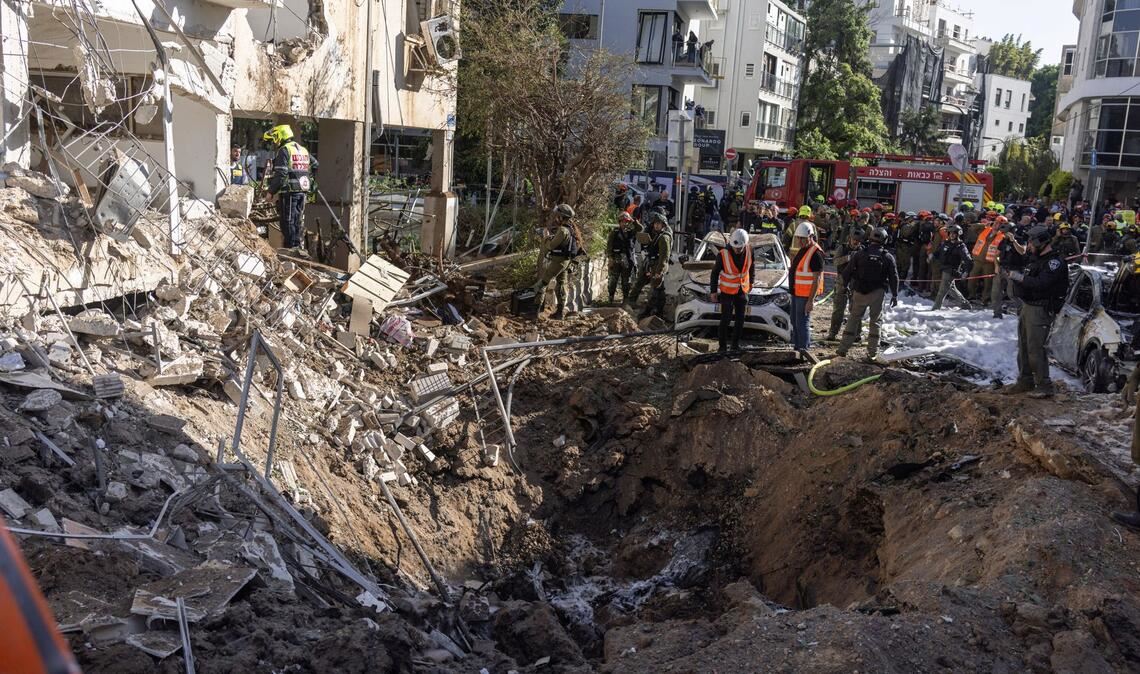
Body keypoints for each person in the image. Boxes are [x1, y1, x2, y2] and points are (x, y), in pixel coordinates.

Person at [1002, 226, 1069, 397]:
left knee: (1035, 348)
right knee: (1024, 346)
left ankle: (1044, 385)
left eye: (1031, 242)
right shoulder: (1036, 258)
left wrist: (1019, 278)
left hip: (1040, 309)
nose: (1029, 246)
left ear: (1040, 242)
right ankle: (1025, 381)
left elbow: (1041, 283)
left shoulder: (1055, 262)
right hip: (1028, 306)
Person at [837, 228, 899, 362]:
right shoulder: (887, 257)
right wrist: (895, 295)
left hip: (859, 291)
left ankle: (842, 349)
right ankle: (872, 353)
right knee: (875, 322)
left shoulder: (859, 254)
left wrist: (845, 286)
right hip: (877, 293)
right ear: (885, 240)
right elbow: (894, 277)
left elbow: (847, 272)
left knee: (853, 319)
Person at [264, 124, 317, 255]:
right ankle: (297, 247)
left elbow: (281, 174)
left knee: (287, 222)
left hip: (289, 192)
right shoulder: (302, 149)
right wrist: (307, 177)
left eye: (274, 138)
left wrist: (271, 192)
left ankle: (291, 250)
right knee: (297, 221)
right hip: (302, 191)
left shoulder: (284, 150)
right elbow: (315, 165)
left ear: (279, 136)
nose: (274, 142)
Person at [709, 228, 754, 354]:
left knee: (740, 319)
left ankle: (735, 345)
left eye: (740, 248)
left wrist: (751, 282)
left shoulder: (750, 251)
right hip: (727, 292)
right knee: (726, 319)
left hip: (742, 290)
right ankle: (722, 346)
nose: (738, 250)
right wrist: (713, 291)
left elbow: (752, 267)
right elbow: (714, 273)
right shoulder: (723, 254)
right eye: (736, 248)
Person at [534, 204, 581, 320]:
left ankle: (535, 312)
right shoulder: (570, 228)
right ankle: (559, 313)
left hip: (558, 262)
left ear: (561, 216)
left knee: (541, 284)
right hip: (565, 262)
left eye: (557, 215)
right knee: (560, 285)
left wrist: (545, 237)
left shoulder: (563, 230)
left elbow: (551, 246)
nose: (556, 218)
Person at [626, 212, 672, 319]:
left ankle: (651, 311)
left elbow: (664, 257)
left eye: (659, 224)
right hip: (649, 262)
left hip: (658, 264)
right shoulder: (653, 234)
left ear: (663, 225)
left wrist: (659, 271)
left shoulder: (664, 238)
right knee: (640, 282)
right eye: (655, 223)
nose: (656, 225)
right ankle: (631, 302)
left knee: (654, 290)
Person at [789, 221, 824, 352]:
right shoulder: (803, 250)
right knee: (795, 321)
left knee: (802, 323)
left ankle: (803, 350)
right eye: (799, 238)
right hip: (796, 293)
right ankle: (797, 348)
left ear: (811, 236)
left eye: (803, 238)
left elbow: (817, 279)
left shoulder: (815, 253)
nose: (800, 241)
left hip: (805, 295)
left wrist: (811, 300)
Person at [826, 228, 864, 341]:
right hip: (842, 280)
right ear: (850, 239)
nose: (855, 242)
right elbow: (835, 261)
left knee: (856, 309)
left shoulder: (862, 250)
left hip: (855, 282)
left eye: (858, 240)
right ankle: (833, 332)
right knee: (838, 309)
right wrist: (847, 258)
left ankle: (857, 333)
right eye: (854, 240)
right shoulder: (842, 248)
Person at [931, 224, 971, 310]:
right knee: (951, 289)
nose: (952, 235)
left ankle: (935, 308)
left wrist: (966, 272)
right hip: (944, 268)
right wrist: (932, 256)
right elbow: (938, 252)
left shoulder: (961, 246)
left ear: (958, 234)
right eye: (950, 233)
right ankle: (965, 304)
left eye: (954, 233)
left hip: (952, 270)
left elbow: (968, 259)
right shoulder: (946, 243)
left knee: (942, 290)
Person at [607, 212, 641, 304]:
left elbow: (640, 228)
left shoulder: (631, 232)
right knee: (613, 280)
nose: (624, 223)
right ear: (619, 222)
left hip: (628, 259)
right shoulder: (614, 232)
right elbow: (609, 246)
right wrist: (610, 258)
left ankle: (625, 298)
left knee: (626, 280)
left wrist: (634, 221)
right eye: (622, 221)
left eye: (626, 222)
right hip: (616, 258)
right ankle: (611, 297)